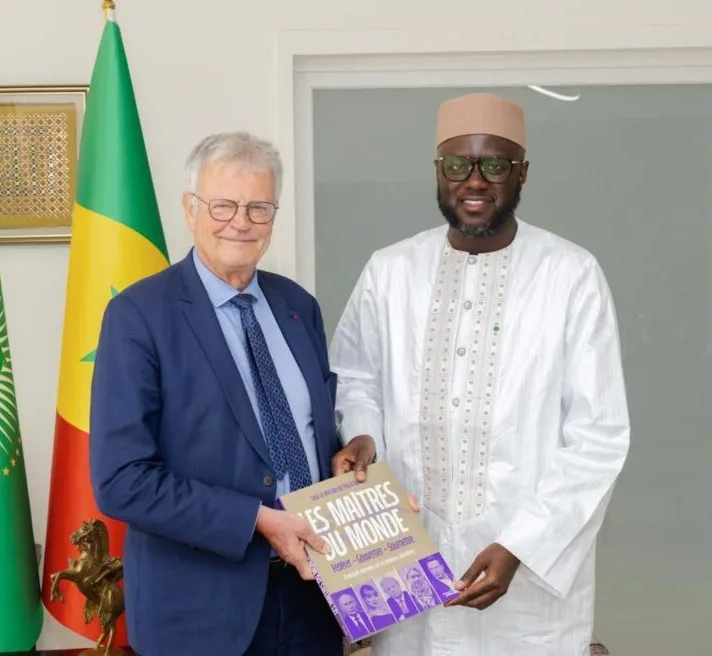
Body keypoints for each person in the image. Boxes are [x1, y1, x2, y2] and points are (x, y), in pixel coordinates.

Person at [328, 92, 630, 654]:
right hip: (410, 559)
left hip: (528, 583)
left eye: (494, 166)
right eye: (457, 164)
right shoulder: (390, 271)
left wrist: (521, 545)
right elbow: (355, 377)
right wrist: (363, 435)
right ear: (437, 171)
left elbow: (599, 436)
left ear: (522, 174)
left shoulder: (571, 275)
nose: (474, 181)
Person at [89, 131, 345, 656]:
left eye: (258, 208)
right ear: (190, 209)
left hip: (311, 595)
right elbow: (121, 481)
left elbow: (316, 439)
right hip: (199, 612)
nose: (241, 222)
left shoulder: (300, 307)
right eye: (223, 205)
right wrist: (257, 520)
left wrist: (355, 462)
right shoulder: (138, 316)